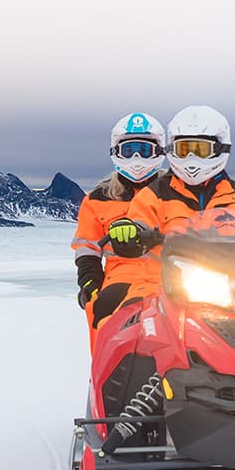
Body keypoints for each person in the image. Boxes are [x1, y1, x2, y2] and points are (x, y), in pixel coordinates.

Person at [107, 105, 235, 308]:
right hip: (163, 287)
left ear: (220, 149)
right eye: (184, 149)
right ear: (172, 149)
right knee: (130, 323)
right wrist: (130, 232)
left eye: (200, 150)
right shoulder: (153, 196)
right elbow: (139, 223)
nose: (191, 158)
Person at [72, 112, 167, 346]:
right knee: (102, 310)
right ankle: (105, 376)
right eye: (129, 150)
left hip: (173, 274)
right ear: (116, 152)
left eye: (144, 150)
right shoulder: (98, 198)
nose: (136, 157)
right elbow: (87, 245)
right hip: (122, 276)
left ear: (159, 151)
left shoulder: (175, 193)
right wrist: (89, 280)